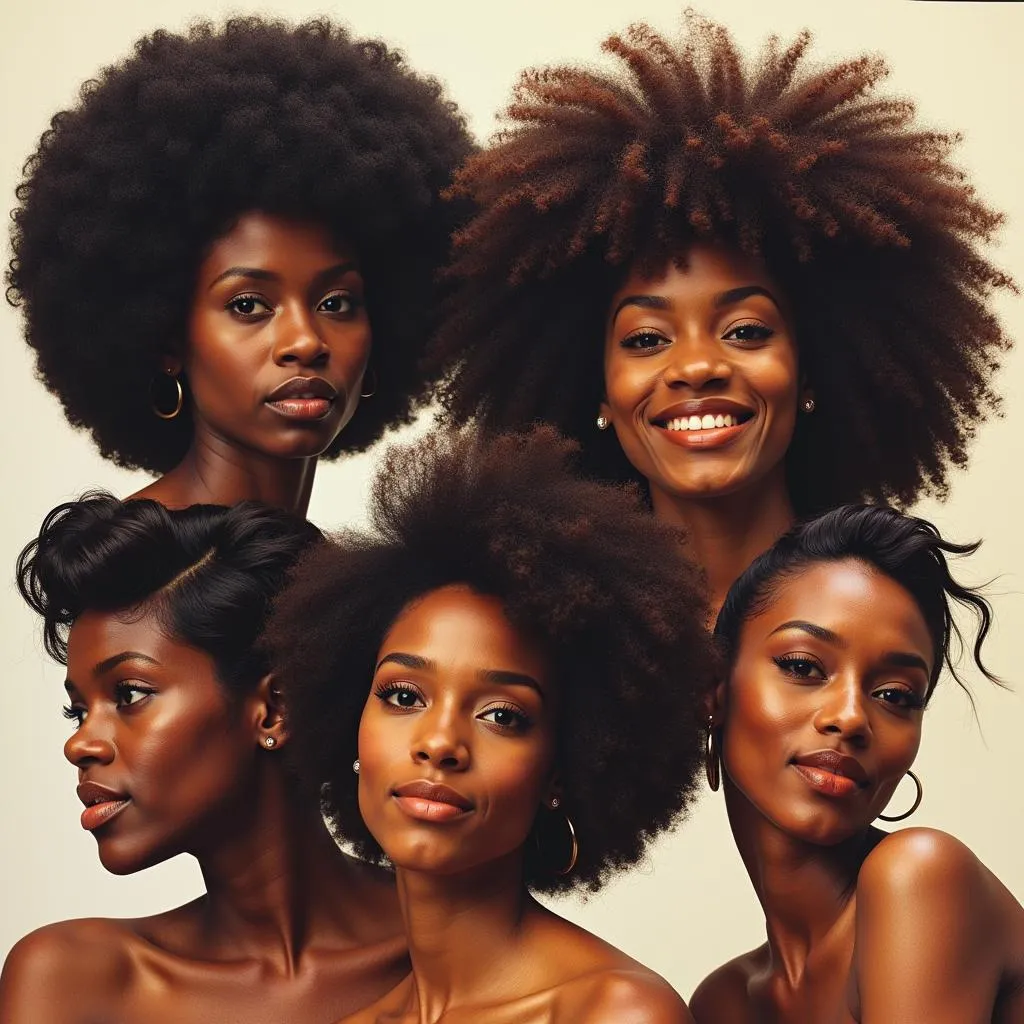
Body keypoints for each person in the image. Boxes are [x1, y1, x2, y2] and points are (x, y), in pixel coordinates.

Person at [427, 14, 1013, 610]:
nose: (698, 365)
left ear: (809, 369)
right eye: (647, 339)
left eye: (745, 331)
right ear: (598, 392)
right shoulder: (530, 637)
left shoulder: (878, 615)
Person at [265, 426, 718, 1022]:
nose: (439, 743)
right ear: (349, 721)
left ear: (561, 769)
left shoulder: (614, 1013)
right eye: (403, 696)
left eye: (502, 715)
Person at [7, 17, 473, 513]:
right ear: (169, 343)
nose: (305, 342)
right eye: (249, 304)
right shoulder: (146, 579)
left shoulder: (322, 576)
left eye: (336, 303)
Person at [0, 497, 408, 1023]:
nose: (79, 745)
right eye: (76, 711)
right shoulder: (73, 982)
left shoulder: (464, 949)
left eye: (128, 695)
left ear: (273, 710)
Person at [691, 504, 1024, 1022]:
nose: (851, 718)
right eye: (803, 666)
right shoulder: (727, 1001)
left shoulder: (919, 879)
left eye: (895, 695)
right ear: (715, 691)